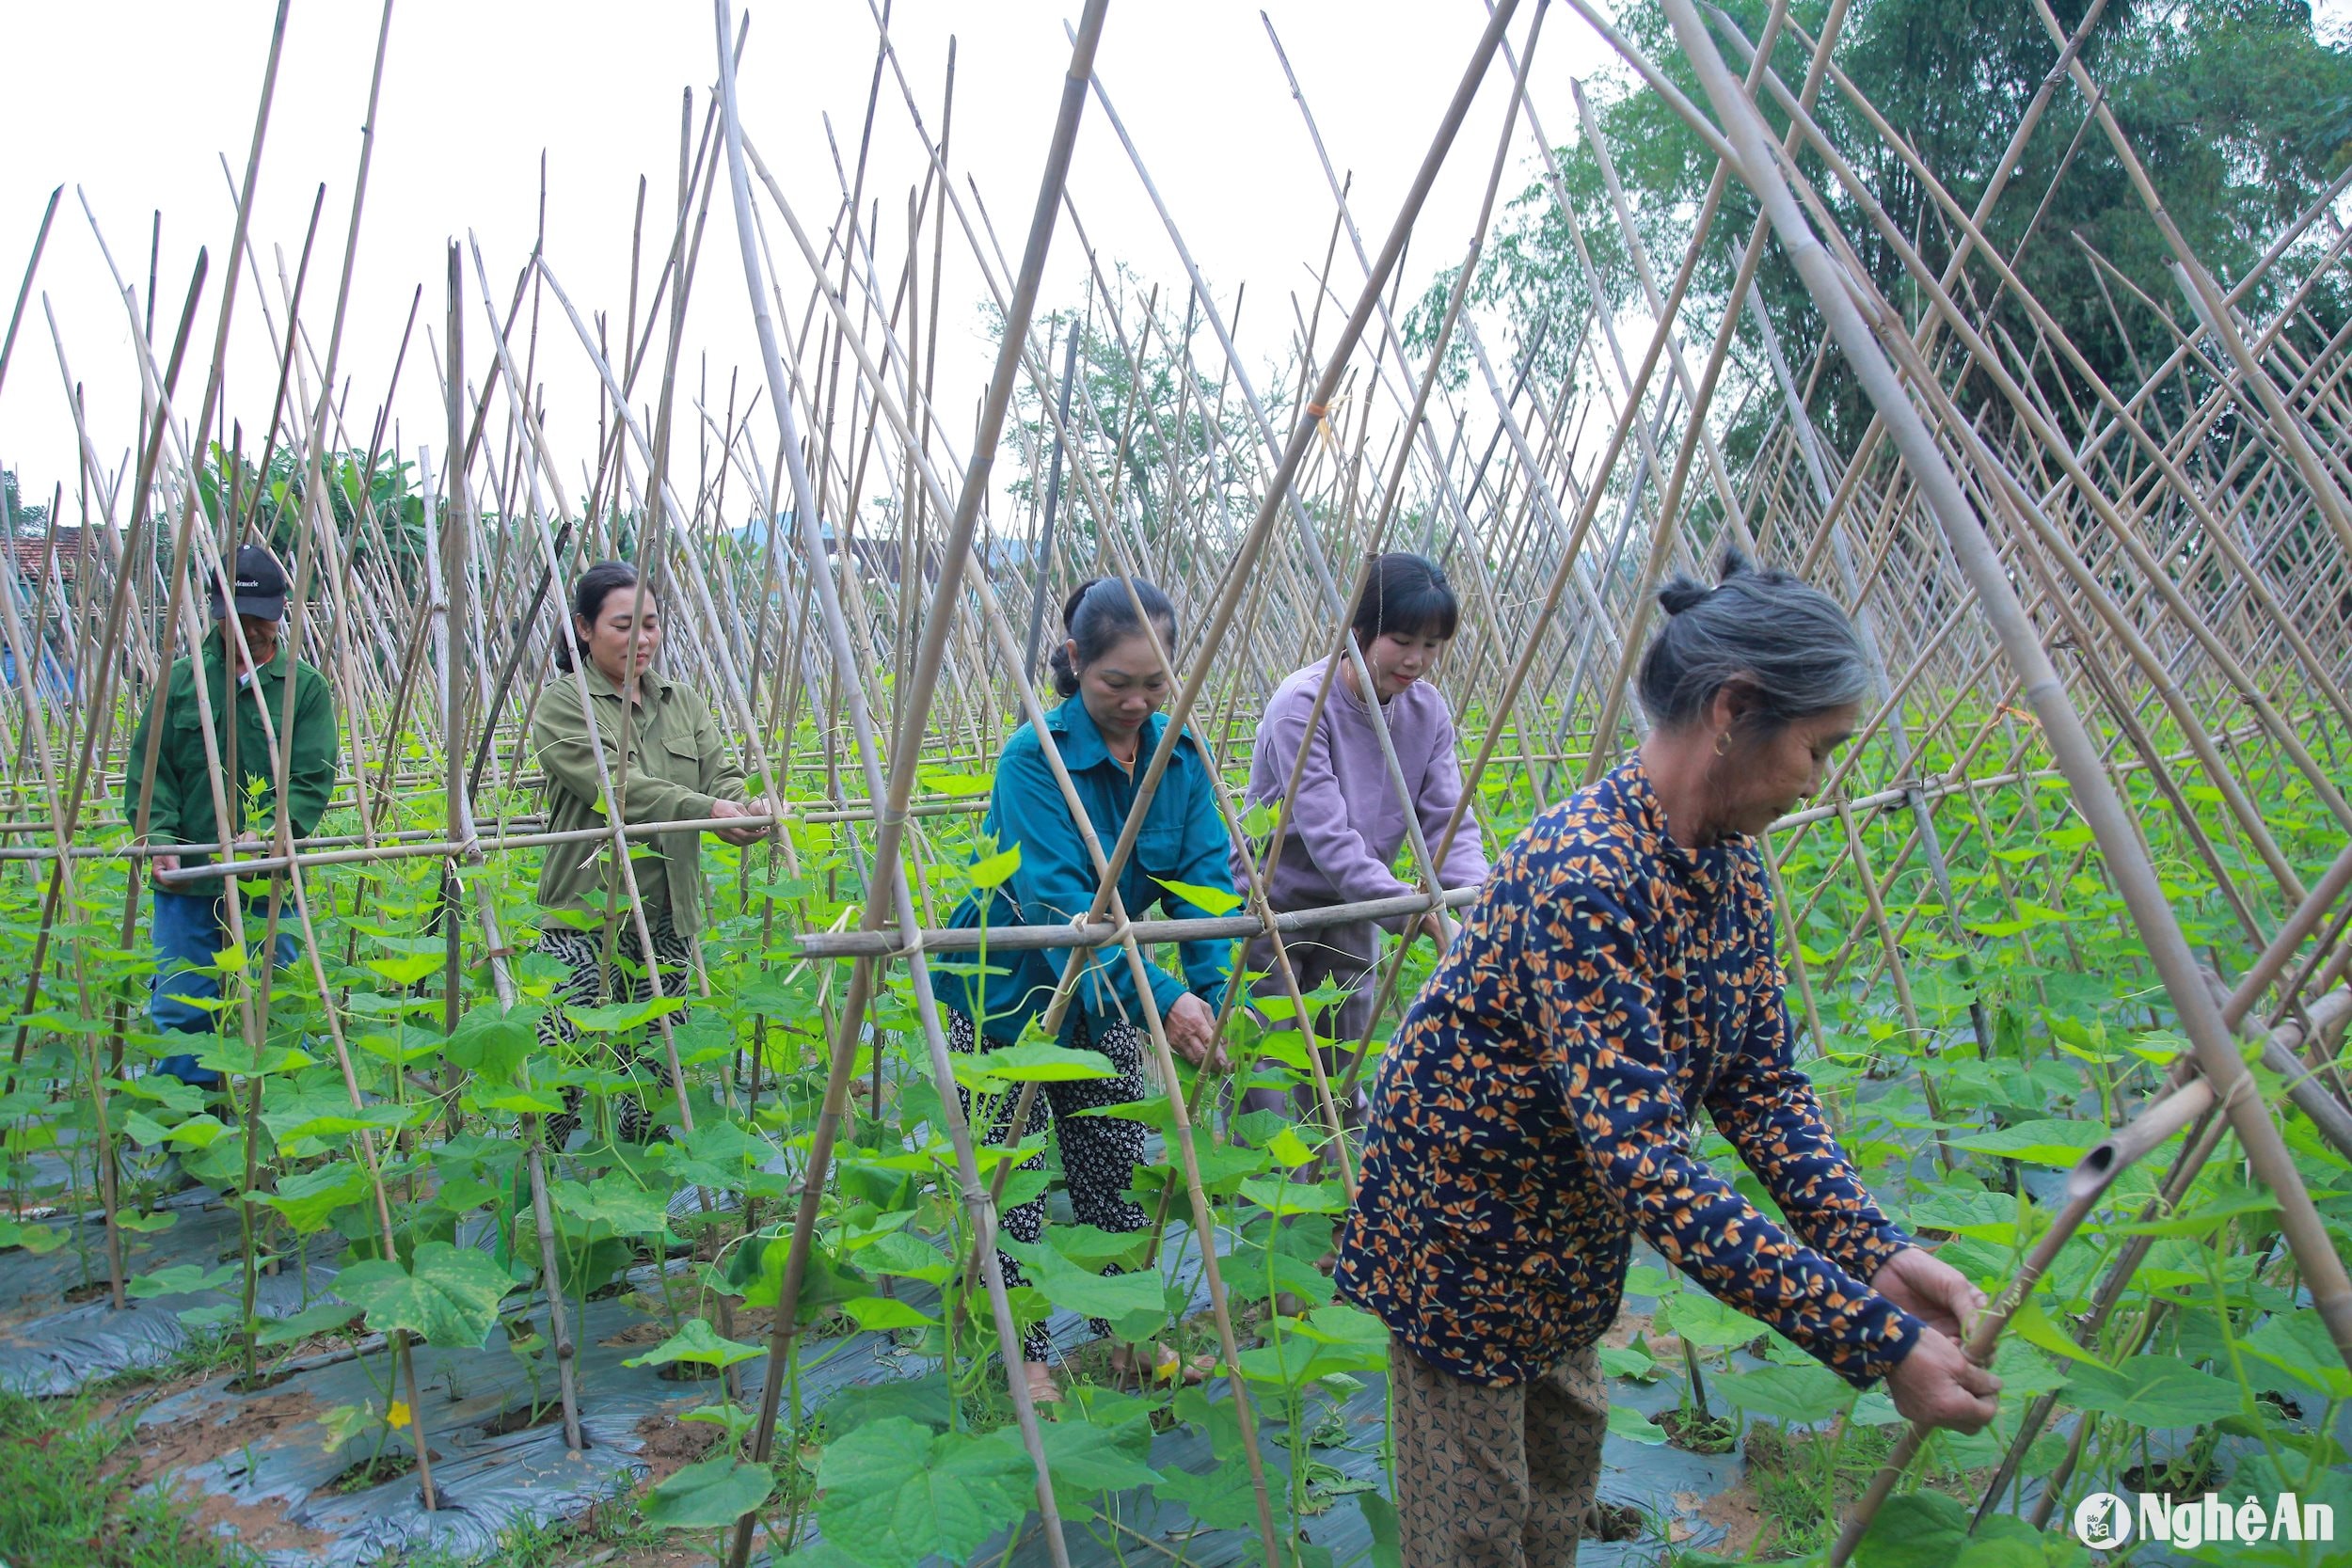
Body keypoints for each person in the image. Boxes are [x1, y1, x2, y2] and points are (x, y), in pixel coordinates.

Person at [1335, 551, 1999, 1567]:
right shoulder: (1589, 873)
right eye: (1818, 749)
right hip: (1457, 1230)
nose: (1820, 778)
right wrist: (1872, 1339)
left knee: (1558, 1472)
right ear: (1734, 709)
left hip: (1564, 1229)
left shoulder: (1725, 866)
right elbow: (1646, 1164)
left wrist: (1872, 1249)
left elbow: (1759, 1082)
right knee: (1470, 1525)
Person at [946, 577, 1236, 1403]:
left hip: (1107, 991)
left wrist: (1214, 992)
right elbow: (1057, 901)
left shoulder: (1178, 756)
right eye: (1117, 683)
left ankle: (1128, 1339)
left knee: (1113, 1164)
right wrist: (1166, 998)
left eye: (1156, 682)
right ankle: (1025, 1356)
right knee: (1018, 1183)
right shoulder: (1032, 758)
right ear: (1076, 663)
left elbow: (1206, 883)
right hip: (1006, 995)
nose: (1138, 701)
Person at [1232, 552, 1486, 1135]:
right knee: (1267, 1074)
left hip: (1361, 905)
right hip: (1277, 908)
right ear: (1360, 631)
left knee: (1342, 1069)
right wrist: (1410, 909)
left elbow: (1448, 821)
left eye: (1431, 644)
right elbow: (1328, 837)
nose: (1416, 660)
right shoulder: (1304, 704)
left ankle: (1346, 1209)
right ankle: (1276, 1213)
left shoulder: (1427, 711)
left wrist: (1472, 902)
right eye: (1401, 640)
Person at [532, 562, 768, 1148]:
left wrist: (743, 810)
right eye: (623, 625)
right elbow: (620, 790)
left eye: (652, 625)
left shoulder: (681, 701)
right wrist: (705, 810)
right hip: (587, 919)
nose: (641, 639)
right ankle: (536, 1208)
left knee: (654, 1082)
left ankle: (646, 1231)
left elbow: (723, 775)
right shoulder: (564, 704)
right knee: (562, 1075)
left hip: (668, 919)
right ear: (584, 629)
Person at [126, 544, 338, 1088]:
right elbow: (151, 771)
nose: (254, 629)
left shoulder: (303, 689)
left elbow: (311, 778)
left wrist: (271, 831)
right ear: (218, 615)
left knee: (280, 1004)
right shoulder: (182, 683)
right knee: (182, 1008)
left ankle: (283, 1134)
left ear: (281, 611)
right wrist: (158, 836)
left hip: (269, 881)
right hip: (188, 881)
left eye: (264, 616)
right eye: (240, 618)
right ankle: (192, 1147)